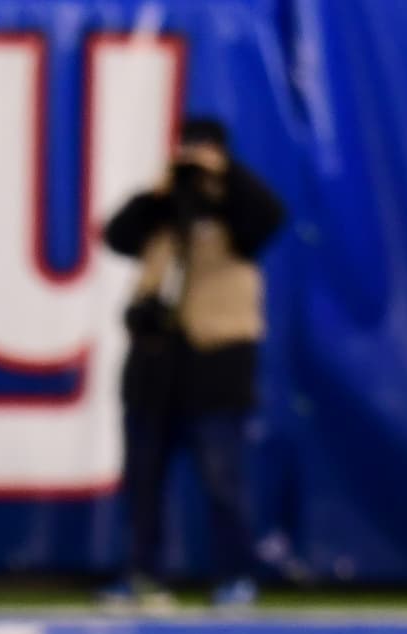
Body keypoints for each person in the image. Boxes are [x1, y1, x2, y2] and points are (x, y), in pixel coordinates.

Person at [102, 117, 286, 609]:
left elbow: (267, 220)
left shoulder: (236, 204)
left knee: (224, 480)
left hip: (217, 362)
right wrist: (162, 188)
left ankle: (235, 576)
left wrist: (224, 176)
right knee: (143, 480)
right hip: (155, 363)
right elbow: (117, 235)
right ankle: (142, 573)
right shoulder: (162, 206)